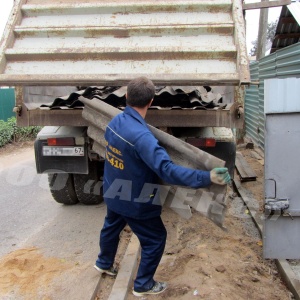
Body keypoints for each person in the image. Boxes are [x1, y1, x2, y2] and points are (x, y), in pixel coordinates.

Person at [94, 76, 231, 297]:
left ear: (127, 96)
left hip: (113, 190)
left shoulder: (116, 122)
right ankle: (143, 284)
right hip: (136, 200)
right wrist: (208, 177)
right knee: (155, 239)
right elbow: (169, 171)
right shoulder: (143, 138)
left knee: (111, 226)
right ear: (151, 101)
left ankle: (103, 262)